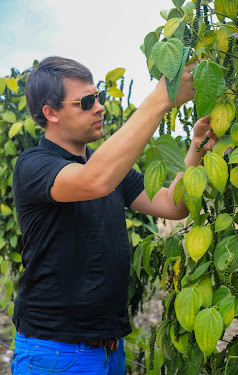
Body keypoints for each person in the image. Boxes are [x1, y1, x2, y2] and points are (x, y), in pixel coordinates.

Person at [10, 56, 216, 375]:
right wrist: (161, 99)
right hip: (55, 354)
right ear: (50, 113)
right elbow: (94, 180)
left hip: (109, 351)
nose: (100, 107)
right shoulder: (33, 165)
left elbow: (172, 206)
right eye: (86, 101)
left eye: (99, 97)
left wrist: (197, 149)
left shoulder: (108, 167)